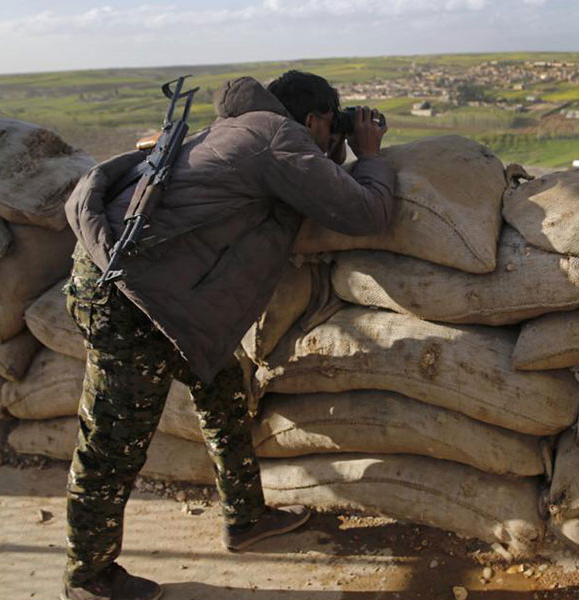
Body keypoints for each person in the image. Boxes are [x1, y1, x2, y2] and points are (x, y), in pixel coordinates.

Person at [60, 71, 395, 600]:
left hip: (169, 298)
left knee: (224, 390)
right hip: (134, 302)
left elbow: (303, 183)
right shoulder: (274, 137)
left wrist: (333, 146)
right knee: (112, 443)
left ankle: (245, 517)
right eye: (332, 123)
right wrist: (368, 154)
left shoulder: (246, 128)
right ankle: (88, 579)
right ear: (313, 120)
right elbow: (367, 211)